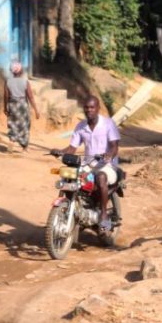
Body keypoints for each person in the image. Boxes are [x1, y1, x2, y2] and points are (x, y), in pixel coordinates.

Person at [53, 96, 121, 230]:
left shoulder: (108, 124)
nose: (89, 110)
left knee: (101, 177)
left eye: (92, 107)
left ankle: (103, 214)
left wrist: (109, 155)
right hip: (88, 164)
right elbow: (72, 148)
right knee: (70, 176)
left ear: (98, 108)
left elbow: (115, 146)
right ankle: (72, 211)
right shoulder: (81, 126)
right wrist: (60, 152)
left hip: (107, 165)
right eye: (86, 107)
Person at [4, 61, 39, 151]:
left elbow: (6, 96)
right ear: (21, 71)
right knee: (25, 125)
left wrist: (5, 107)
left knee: (13, 123)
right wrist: (36, 110)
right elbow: (30, 97)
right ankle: (24, 146)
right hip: (23, 106)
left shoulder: (8, 82)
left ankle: (12, 140)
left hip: (12, 105)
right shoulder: (25, 82)